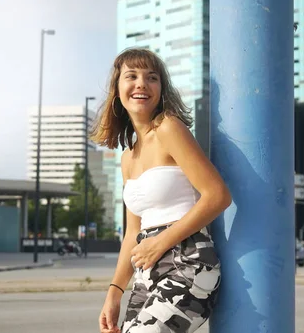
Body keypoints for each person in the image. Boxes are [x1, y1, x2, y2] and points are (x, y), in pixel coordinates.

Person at [91, 47, 232, 333]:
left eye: (151, 77)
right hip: (146, 272)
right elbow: (133, 233)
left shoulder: (169, 128)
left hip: (188, 263)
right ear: (118, 91)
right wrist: (114, 292)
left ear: (161, 89)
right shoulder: (127, 158)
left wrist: (160, 242)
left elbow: (218, 196)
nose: (142, 83)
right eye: (131, 76)